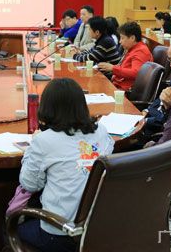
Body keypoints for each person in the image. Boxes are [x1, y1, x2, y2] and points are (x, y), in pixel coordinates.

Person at [16, 78, 114, 252]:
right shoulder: (101, 131)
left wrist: (32, 146)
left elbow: (29, 184)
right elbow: (108, 150)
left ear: (47, 108)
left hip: (59, 233)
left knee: (8, 229)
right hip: (97, 228)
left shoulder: (44, 141)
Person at [97, 22, 152, 90]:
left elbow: (136, 73)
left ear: (132, 38)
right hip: (117, 85)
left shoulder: (141, 51)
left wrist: (113, 68)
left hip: (124, 90)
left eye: (122, 38)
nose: (120, 41)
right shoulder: (132, 48)